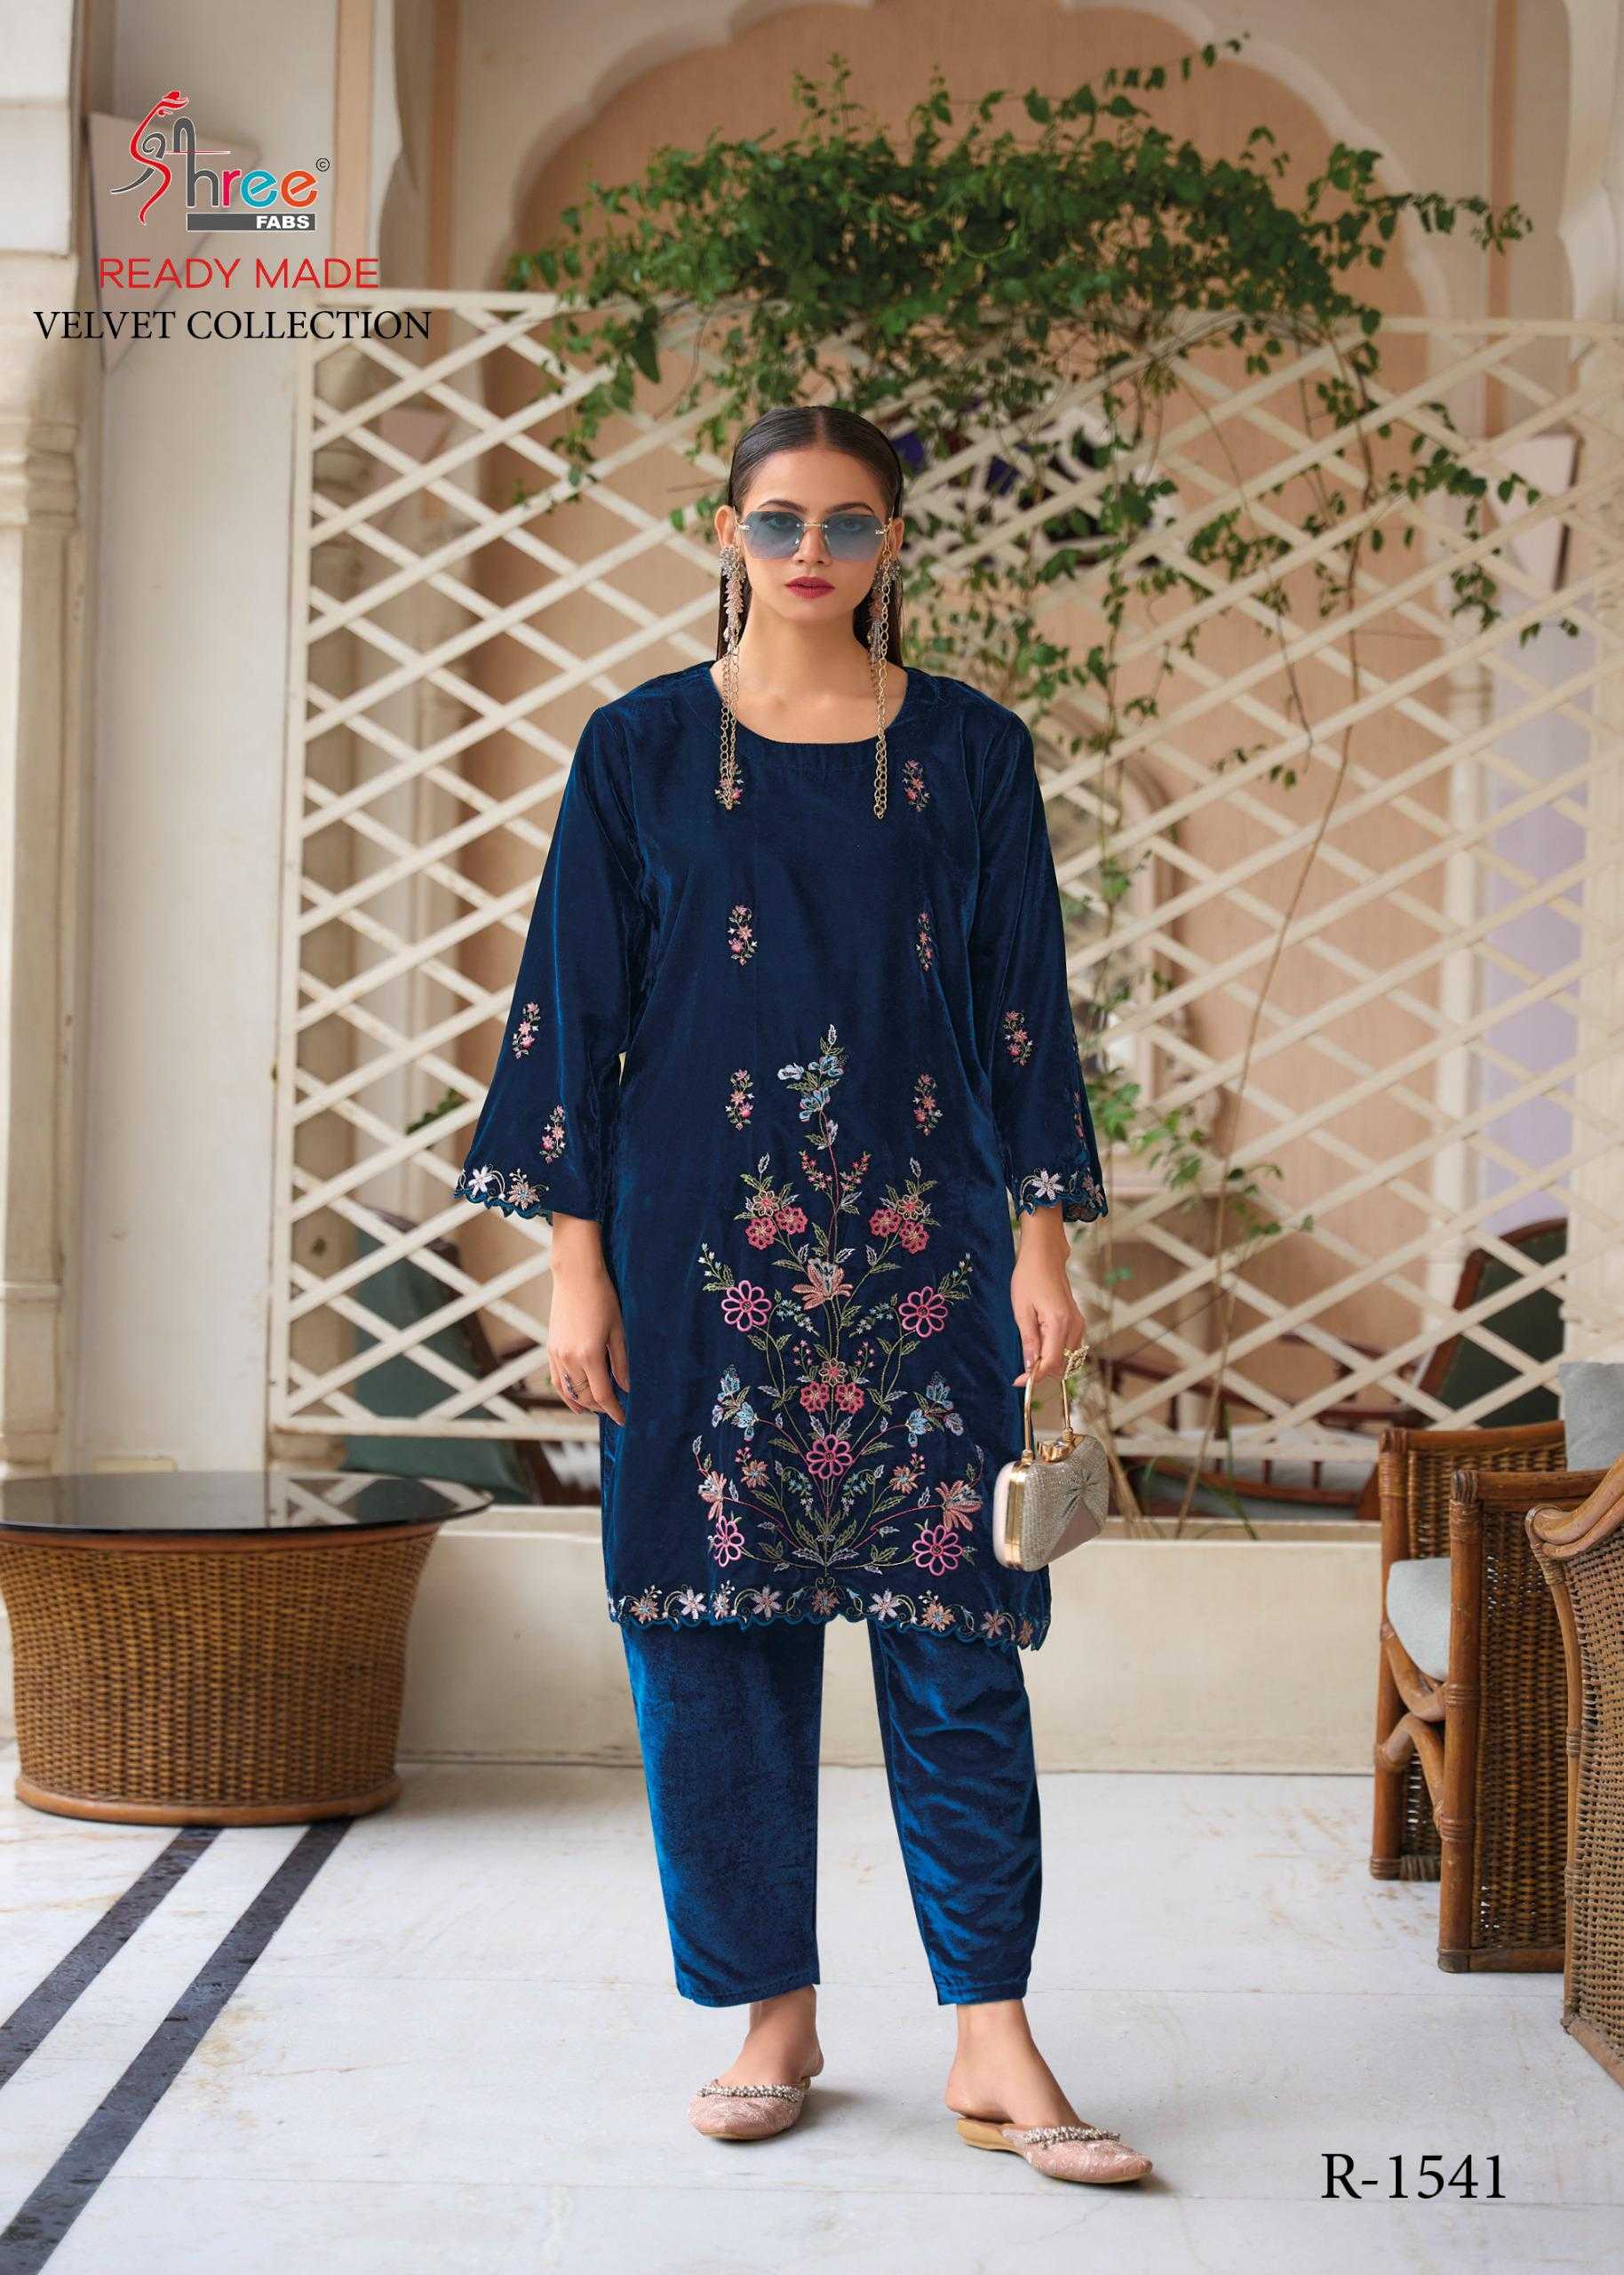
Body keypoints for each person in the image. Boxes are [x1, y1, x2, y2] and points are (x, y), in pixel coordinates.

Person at [455, 403, 1150, 2187]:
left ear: (893, 542)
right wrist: (574, 1268)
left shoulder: (972, 751)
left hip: (929, 1252)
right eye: (779, 522)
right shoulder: (639, 747)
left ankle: (992, 2033)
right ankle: (771, 2012)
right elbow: (570, 1011)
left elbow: (1021, 1007)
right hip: (696, 1253)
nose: (812, 553)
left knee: (959, 1641)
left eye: (848, 523)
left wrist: (1044, 1245)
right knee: (710, 1645)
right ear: (728, 532)